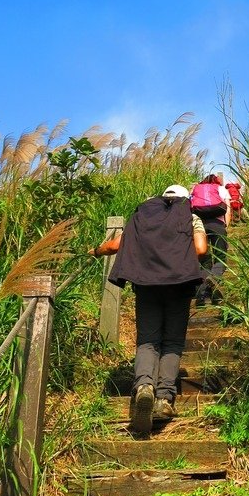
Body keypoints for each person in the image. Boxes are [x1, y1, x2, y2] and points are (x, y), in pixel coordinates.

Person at [92, 184, 207, 434]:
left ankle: (144, 386)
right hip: (179, 284)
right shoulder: (190, 216)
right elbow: (200, 249)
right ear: (184, 199)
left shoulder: (142, 217)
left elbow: (114, 246)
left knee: (147, 341)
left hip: (146, 285)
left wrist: (95, 251)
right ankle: (164, 398)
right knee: (173, 342)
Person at [190, 174, 230, 306]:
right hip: (218, 226)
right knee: (220, 259)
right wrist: (225, 226)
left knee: (204, 261)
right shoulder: (221, 189)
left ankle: (201, 297)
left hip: (200, 228)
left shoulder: (196, 189)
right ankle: (212, 280)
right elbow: (227, 210)